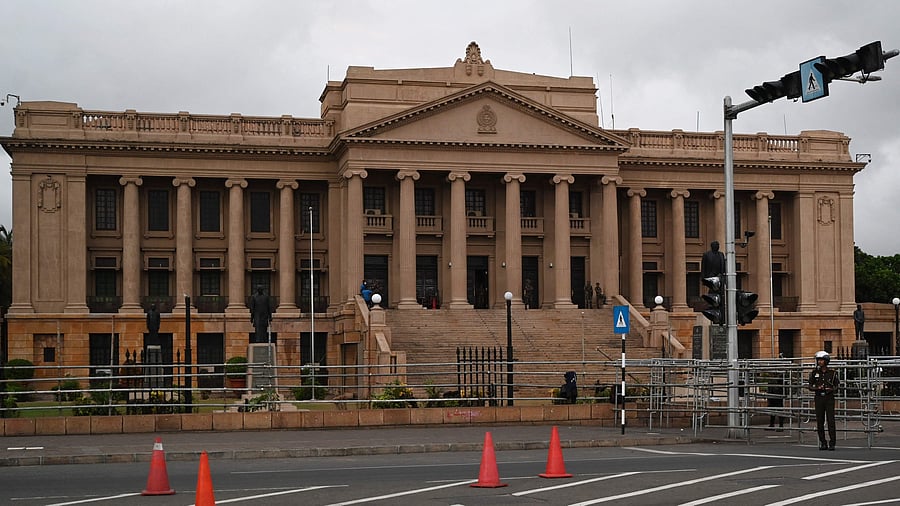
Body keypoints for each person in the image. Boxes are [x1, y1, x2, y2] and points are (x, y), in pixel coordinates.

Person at [808, 350, 839, 450]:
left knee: (831, 420)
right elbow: (809, 386)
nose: (819, 362)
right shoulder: (814, 373)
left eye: (821, 360)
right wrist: (817, 388)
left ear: (826, 361)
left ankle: (832, 442)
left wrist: (831, 389)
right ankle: (823, 442)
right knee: (819, 421)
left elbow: (837, 386)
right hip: (819, 398)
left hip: (829, 398)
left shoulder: (832, 373)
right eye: (818, 360)